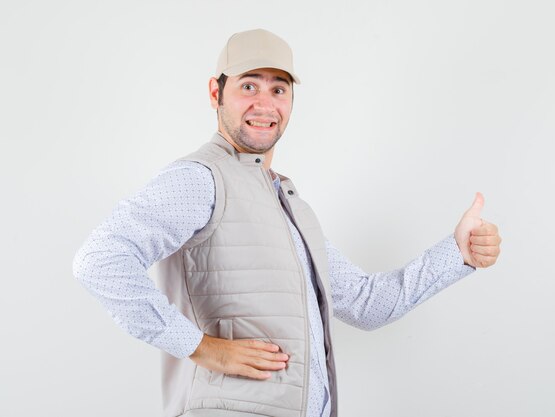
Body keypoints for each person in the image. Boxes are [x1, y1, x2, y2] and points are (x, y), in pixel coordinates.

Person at [73, 28, 502, 417]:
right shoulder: (200, 178)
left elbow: (367, 304)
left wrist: (457, 253)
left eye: (279, 89)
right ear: (214, 93)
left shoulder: (290, 204)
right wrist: (201, 347)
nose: (265, 103)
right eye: (248, 86)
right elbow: (100, 260)